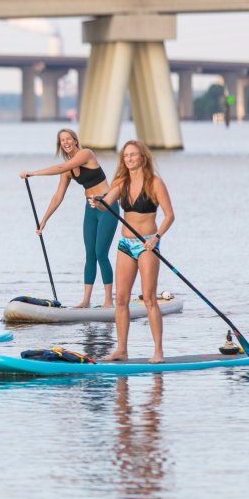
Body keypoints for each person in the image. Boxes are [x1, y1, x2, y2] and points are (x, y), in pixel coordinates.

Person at [90, 140, 174, 363]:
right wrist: (96, 202)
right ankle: (121, 350)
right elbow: (106, 203)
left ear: (142, 157)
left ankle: (158, 351)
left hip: (148, 244)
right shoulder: (121, 182)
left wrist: (156, 238)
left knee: (149, 298)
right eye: (126, 155)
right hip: (126, 245)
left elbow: (169, 216)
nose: (129, 158)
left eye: (133, 155)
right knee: (121, 300)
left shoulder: (155, 182)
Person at [19, 128, 119, 308]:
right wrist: (44, 221)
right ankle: (86, 300)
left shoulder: (86, 154)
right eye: (62, 140)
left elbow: (60, 167)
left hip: (108, 207)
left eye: (68, 139)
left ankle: (108, 301)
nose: (65, 142)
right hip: (90, 209)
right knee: (90, 255)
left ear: (75, 140)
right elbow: (58, 197)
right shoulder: (68, 171)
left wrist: (34, 173)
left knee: (101, 254)